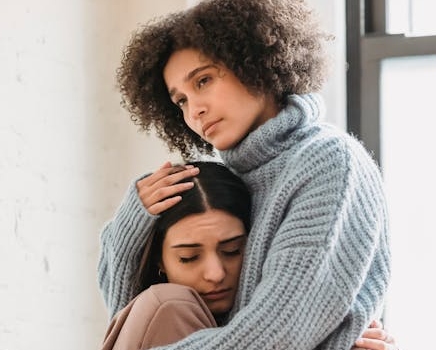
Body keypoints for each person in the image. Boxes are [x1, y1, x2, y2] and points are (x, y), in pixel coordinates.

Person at [99, 0, 393, 349]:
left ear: (256, 64)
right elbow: (131, 319)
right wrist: (132, 224)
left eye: (204, 80)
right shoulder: (239, 178)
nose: (195, 110)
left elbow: (277, 332)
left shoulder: (327, 161)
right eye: (180, 101)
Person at [99, 162, 394, 350]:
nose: (215, 273)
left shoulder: (261, 320)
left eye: (232, 251)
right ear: (159, 262)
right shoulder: (168, 307)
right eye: (189, 257)